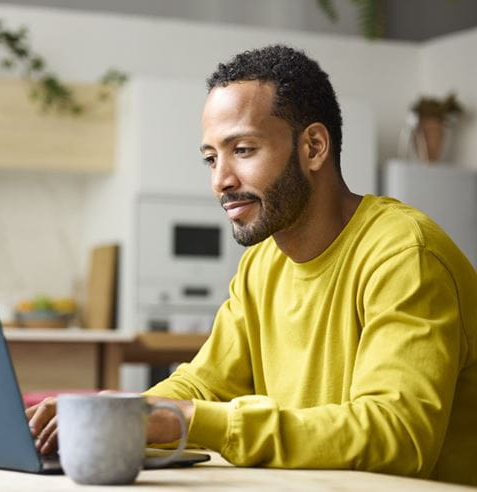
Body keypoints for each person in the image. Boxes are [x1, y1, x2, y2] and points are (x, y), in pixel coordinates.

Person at [25, 45, 477, 485]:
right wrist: (113, 415)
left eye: (242, 150)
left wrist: (192, 421)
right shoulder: (262, 263)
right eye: (210, 157)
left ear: (314, 147)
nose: (221, 180)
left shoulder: (405, 254)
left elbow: (397, 437)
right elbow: (204, 386)